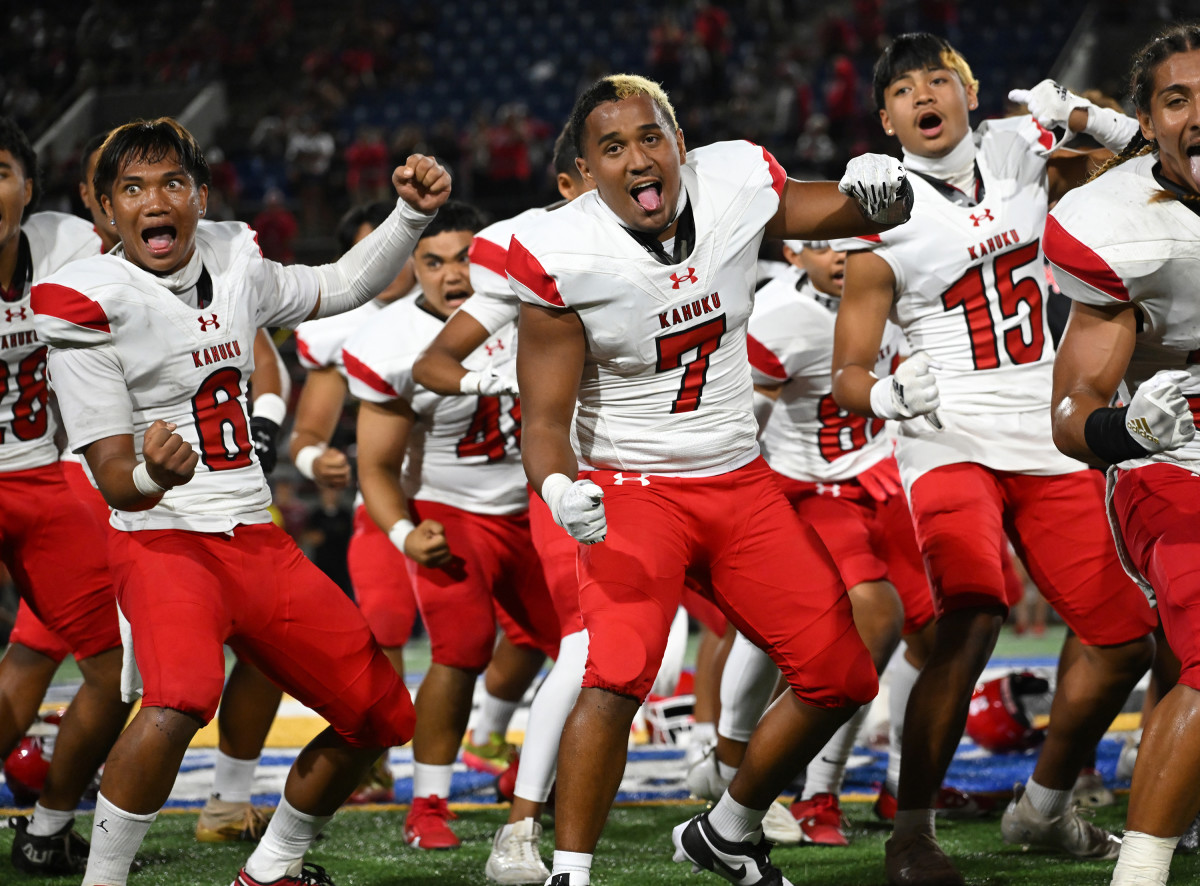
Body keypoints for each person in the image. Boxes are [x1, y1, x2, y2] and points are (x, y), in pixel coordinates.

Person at [508, 73, 911, 886]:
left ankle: (728, 830)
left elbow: (855, 213)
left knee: (840, 675)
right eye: (611, 147)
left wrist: (883, 189)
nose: (636, 158)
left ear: (680, 144)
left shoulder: (732, 187)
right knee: (616, 672)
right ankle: (570, 873)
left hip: (738, 480)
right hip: (632, 487)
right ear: (586, 172)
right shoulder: (562, 256)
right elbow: (545, 422)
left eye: (650, 137)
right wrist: (558, 492)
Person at [32, 117, 448, 886]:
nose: (154, 200)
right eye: (132, 188)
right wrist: (157, 473)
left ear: (199, 194)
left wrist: (411, 216)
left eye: (171, 183)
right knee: (180, 696)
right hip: (163, 536)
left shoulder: (236, 259)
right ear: (105, 212)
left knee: (383, 716)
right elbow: (116, 478)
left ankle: (272, 868)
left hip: (256, 536)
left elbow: (342, 284)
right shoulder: (85, 301)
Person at [828, 33, 1156, 885]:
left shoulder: (1023, 146)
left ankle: (1043, 810)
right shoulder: (881, 202)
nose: (922, 94)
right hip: (948, 435)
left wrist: (1082, 114)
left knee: (1126, 638)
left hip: (1047, 426)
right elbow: (849, 371)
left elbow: (1162, 151)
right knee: (972, 614)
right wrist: (888, 396)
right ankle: (912, 832)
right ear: (886, 114)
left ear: (970, 92)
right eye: (903, 88)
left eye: (938, 77)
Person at [693, 237, 940, 847]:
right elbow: (739, 424)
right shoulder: (776, 318)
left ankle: (902, 786)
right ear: (795, 252)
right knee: (869, 622)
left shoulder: (897, 286)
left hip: (882, 473)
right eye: (824, 245)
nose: (839, 257)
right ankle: (804, 787)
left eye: (852, 245)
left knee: (943, 631)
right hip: (805, 488)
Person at [344, 200, 561, 853]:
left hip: (537, 509)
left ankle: (532, 770)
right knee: (460, 649)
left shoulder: (529, 313)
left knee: (593, 651)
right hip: (450, 509)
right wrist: (405, 533)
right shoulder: (391, 341)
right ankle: (429, 803)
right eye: (433, 261)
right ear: (414, 266)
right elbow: (377, 467)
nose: (452, 274)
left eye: (464, 256)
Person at [1044, 23, 1200, 886]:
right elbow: (1072, 416)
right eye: (1177, 100)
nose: (1198, 114)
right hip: (1171, 460)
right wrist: (1130, 431)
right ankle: (1139, 875)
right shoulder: (1117, 228)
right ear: (1149, 121)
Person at [0, 115, 133, 877]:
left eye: (1, 170)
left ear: (28, 187)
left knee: (116, 671)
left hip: (50, 475)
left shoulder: (72, 247)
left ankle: (47, 827)